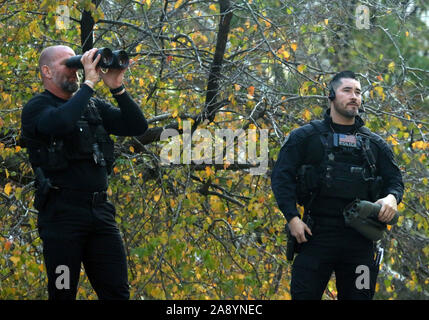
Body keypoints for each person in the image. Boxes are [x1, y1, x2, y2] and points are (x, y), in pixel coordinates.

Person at [21, 46, 148, 300]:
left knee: (117, 293)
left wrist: (117, 87)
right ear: (46, 72)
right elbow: (62, 122)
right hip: (61, 219)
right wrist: (89, 83)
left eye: (76, 64)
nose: (74, 70)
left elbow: (137, 125)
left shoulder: (92, 106)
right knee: (63, 291)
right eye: (68, 64)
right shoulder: (37, 107)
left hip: (100, 215)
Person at [271, 71, 404, 300]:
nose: (354, 97)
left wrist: (391, 198)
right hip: (314, 236)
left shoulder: (375, 145)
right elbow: (281, 177)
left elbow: (395, 181)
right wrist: (292, 219)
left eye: (358, 92)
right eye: (347, 90)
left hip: (360, 242)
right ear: (331, 95)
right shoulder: (304, 137)